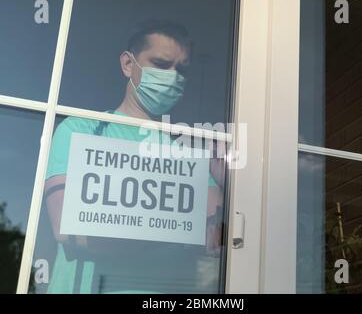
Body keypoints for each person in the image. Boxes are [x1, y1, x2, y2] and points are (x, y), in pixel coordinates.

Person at [43, 20, 225, 294]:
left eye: (182, 69)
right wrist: (179, 228)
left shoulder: (190, 149)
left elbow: (216, 236)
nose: (173, 77)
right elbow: (67, 228)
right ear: (128, 65)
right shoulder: (81, 129)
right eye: (162, 64)